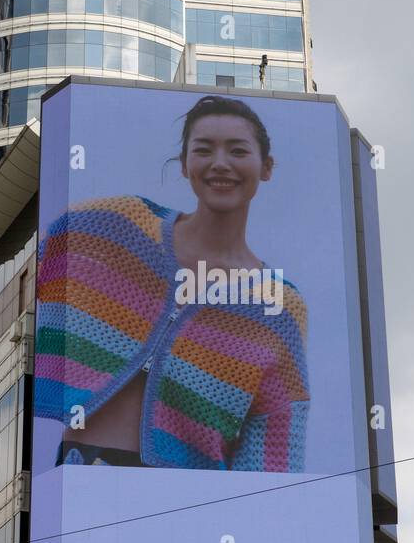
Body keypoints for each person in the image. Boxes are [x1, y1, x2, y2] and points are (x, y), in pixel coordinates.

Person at [34, 95, 309, 472]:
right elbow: (60, 240)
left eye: (238, 151)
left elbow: (277, 417)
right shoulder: (125, 226)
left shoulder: (278, 304)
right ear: (184, 165)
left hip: (186, 493)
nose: (220, 164)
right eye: (203, 150)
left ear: (266, 167)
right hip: (84, 468)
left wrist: (258, 510)